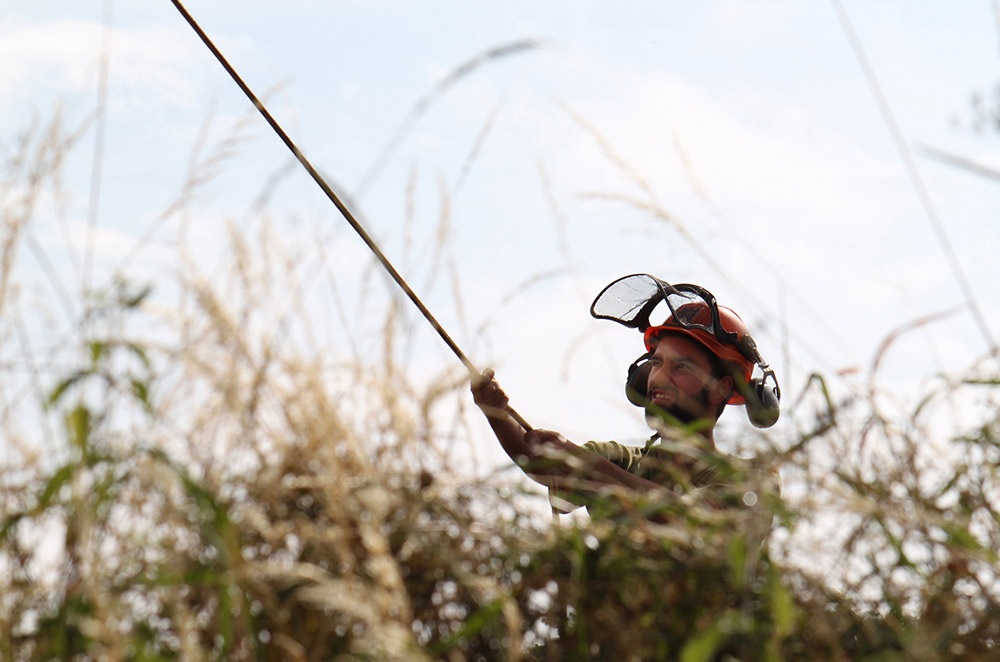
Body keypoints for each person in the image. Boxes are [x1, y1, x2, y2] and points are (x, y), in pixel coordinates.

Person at [470, 275, 780, 521]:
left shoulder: (753, 479)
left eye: (681, 367)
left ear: (721, 388)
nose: (658, 378)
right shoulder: (626, 463)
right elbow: (544, 464)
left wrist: (590, 469)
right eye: (656, 362)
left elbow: (690, 519)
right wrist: (495, 412)